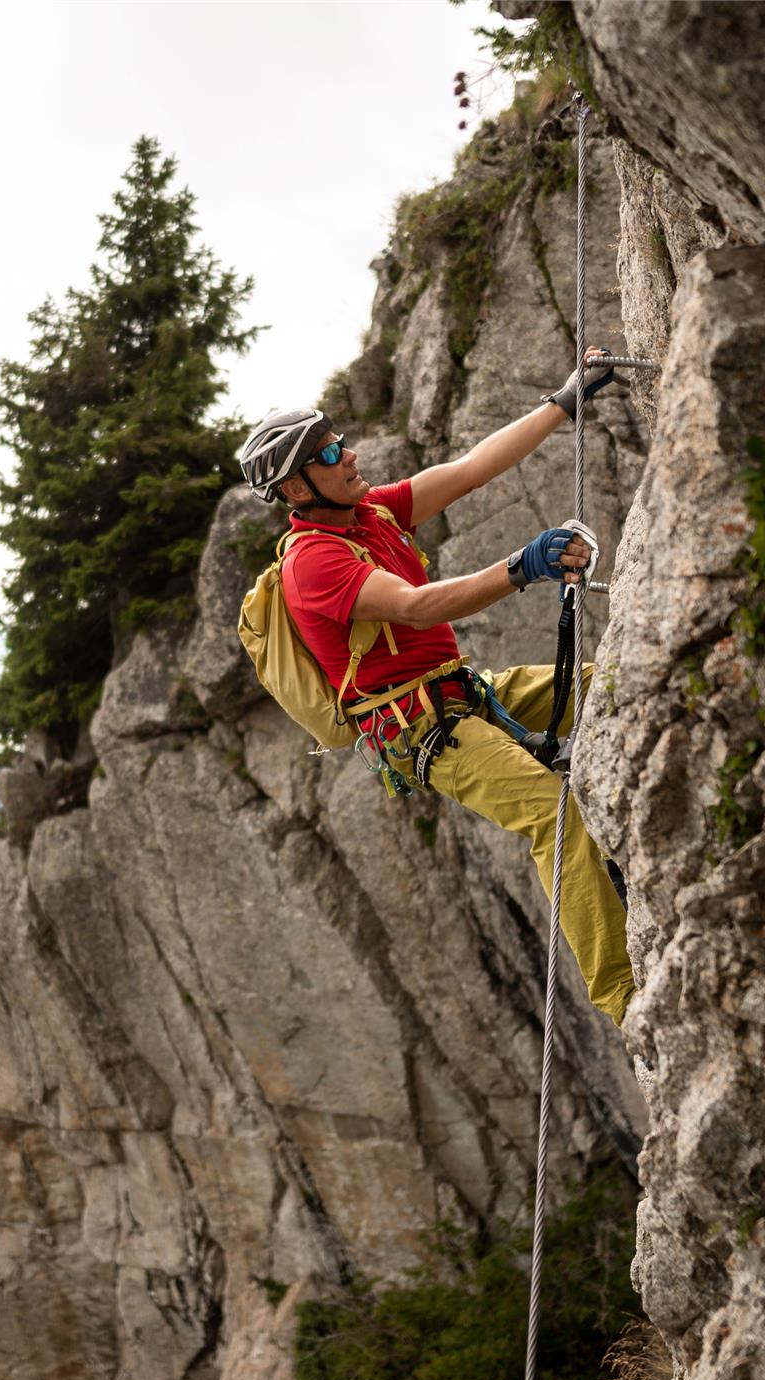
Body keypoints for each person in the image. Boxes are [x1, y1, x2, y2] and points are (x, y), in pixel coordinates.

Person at [236, 352, 634, 1025]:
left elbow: (473, 468)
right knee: (551, 811)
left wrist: (562, 402)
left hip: (462, 692)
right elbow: (418, 606)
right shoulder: (314, 564)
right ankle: (625, 996)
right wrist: (522, 566)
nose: (349, 452)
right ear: (298, 489)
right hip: (427, 730)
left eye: (339, 439)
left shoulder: (372, 516)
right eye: (330, 451)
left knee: (615, 685)